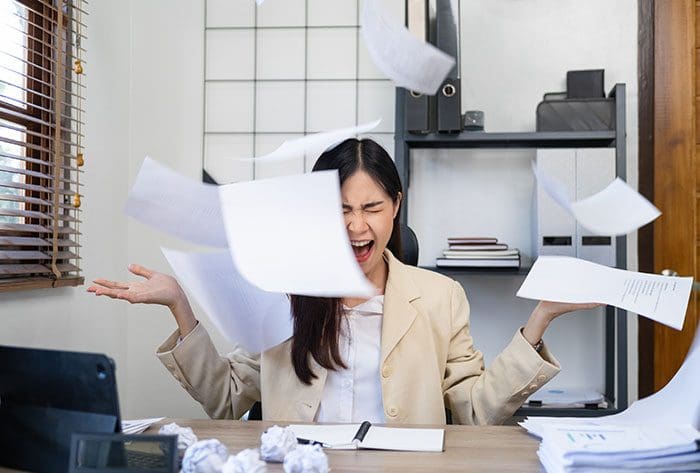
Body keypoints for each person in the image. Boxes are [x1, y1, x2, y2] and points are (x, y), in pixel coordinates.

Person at [88, 138, 600, 425]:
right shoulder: (284, 291)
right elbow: (226, 400)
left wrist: (538, 321)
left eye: (372, 208)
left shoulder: (441, 297)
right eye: (341, 211)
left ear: (396, 207)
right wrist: (180, 305)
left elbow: (471, 410)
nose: (357, 226)